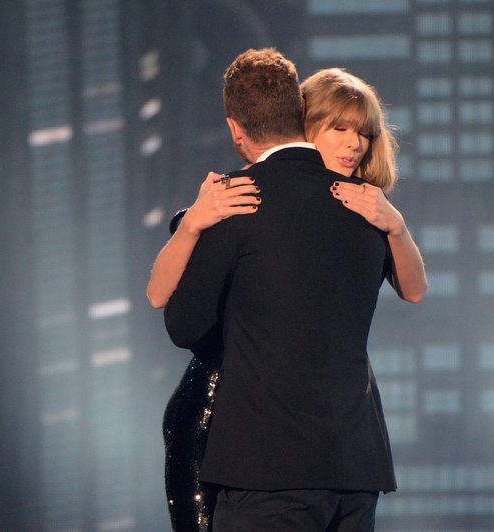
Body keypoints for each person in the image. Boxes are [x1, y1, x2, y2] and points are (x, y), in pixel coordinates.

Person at [151, 56, 426, 530]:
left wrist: (397, 227)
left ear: (237, 128)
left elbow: (181, 324)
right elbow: (411, 291)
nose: (354, 144)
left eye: (363, 133)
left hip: (266, 466)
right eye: (340, 128)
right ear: (305, 121)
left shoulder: (237, 200)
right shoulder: (366, 212)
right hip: (351, 465)